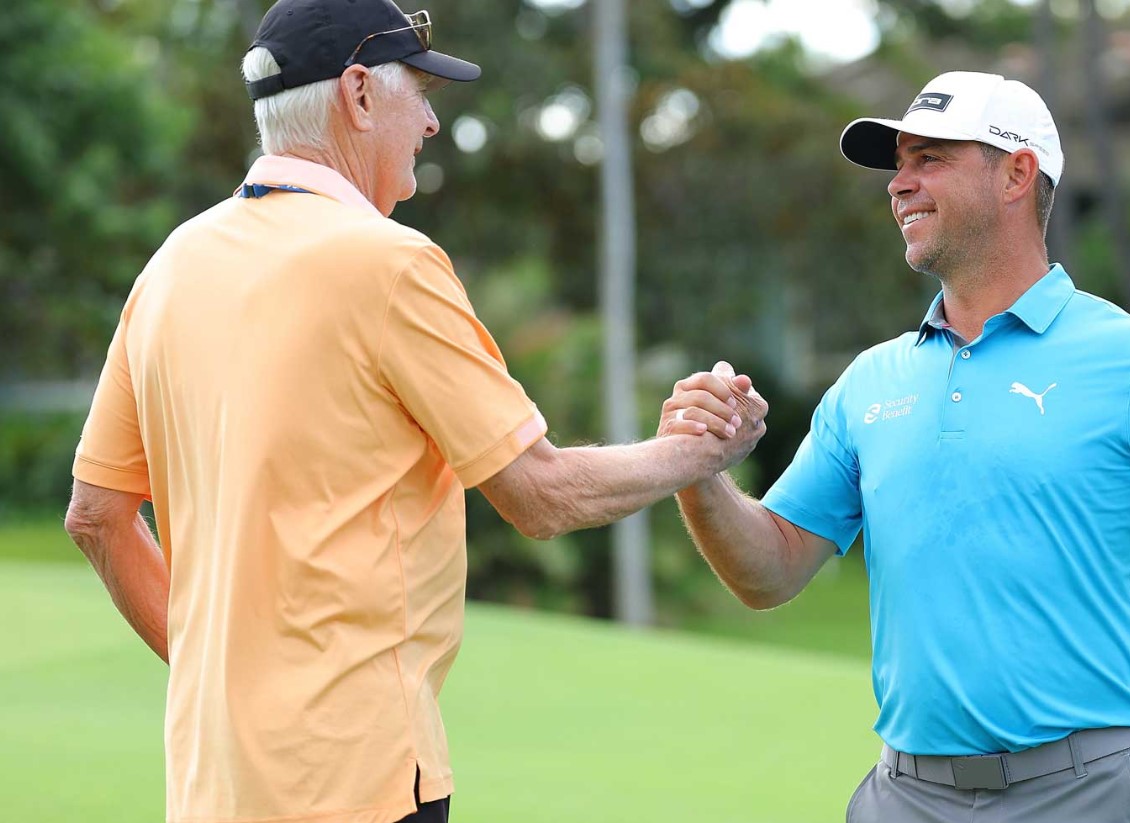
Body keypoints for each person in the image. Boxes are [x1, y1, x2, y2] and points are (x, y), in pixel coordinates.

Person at [62, 2, 760, 822]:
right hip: (361, 779)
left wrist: (217, 682)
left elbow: (96, 516)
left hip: (212, 782)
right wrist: (698, 450)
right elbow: (540, 493)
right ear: (358, 96)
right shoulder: (389, 263)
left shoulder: (173, 265)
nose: (430, 123)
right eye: (419, 94)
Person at [660, 71, 1130, 822]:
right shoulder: (870, 381)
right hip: (903, 796)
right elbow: (768, 570)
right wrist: (698, 471)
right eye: (898, 164)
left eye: (929, 158)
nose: (899, 184)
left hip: (1090, 792)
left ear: (1016, 173)